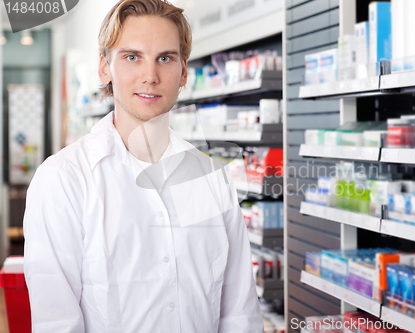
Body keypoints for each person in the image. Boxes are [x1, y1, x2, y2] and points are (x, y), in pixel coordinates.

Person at [23, 0, 264, 332]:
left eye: (164, 58)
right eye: (132, 57)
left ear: (182, 72)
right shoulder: (64, 180)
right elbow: (57, 323)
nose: (150, 76)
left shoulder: (212, 180)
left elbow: (239, 314)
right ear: (105, 68)